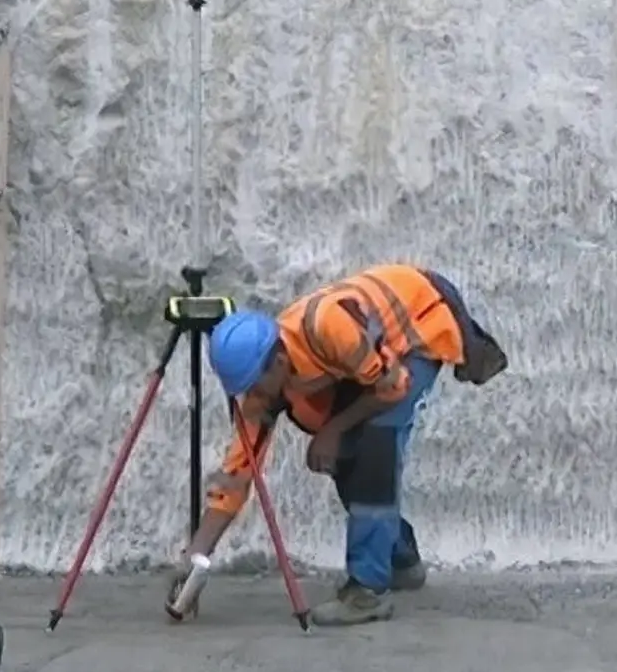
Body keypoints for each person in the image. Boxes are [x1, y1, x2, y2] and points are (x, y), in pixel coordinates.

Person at [173, 263, 507, 627]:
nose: (252, 397)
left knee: (374, 443)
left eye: (256, 387)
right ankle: (401, 561)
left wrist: (333, 429)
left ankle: (368, 591)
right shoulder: (264, 374)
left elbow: (394, 387)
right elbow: (239, 474)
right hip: (368, 353)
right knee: (346, 458)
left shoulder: (330, 329)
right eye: (245, 390)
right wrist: (196, 553)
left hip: (420, 320)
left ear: (280, 361)